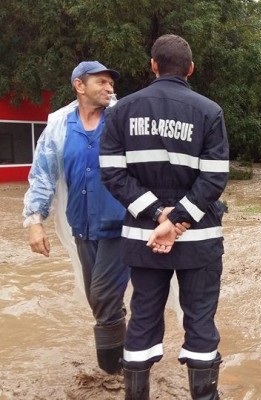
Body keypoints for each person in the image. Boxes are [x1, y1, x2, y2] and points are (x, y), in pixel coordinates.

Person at [100, 34, 229, 400]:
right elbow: (215, 176)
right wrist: (179, 219)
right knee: (201, 320)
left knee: (142, 317)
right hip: (199, 239)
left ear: (153, 65)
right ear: (190, 69)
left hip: (144, 237)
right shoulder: (209, 111)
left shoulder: (120, 111)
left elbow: (111, 172)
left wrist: (159, 215)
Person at [22, 61, 128, 374]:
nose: (109, 88)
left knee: (103, 294)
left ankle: (114, 371)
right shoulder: (58, 125)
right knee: (97, 296)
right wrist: (35, 222)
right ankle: (125, 349)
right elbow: (42, 174)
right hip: (81, 226)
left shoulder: (123, 119)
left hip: (121, 225)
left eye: (111, 83)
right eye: (101, 82)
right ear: (79, 86)